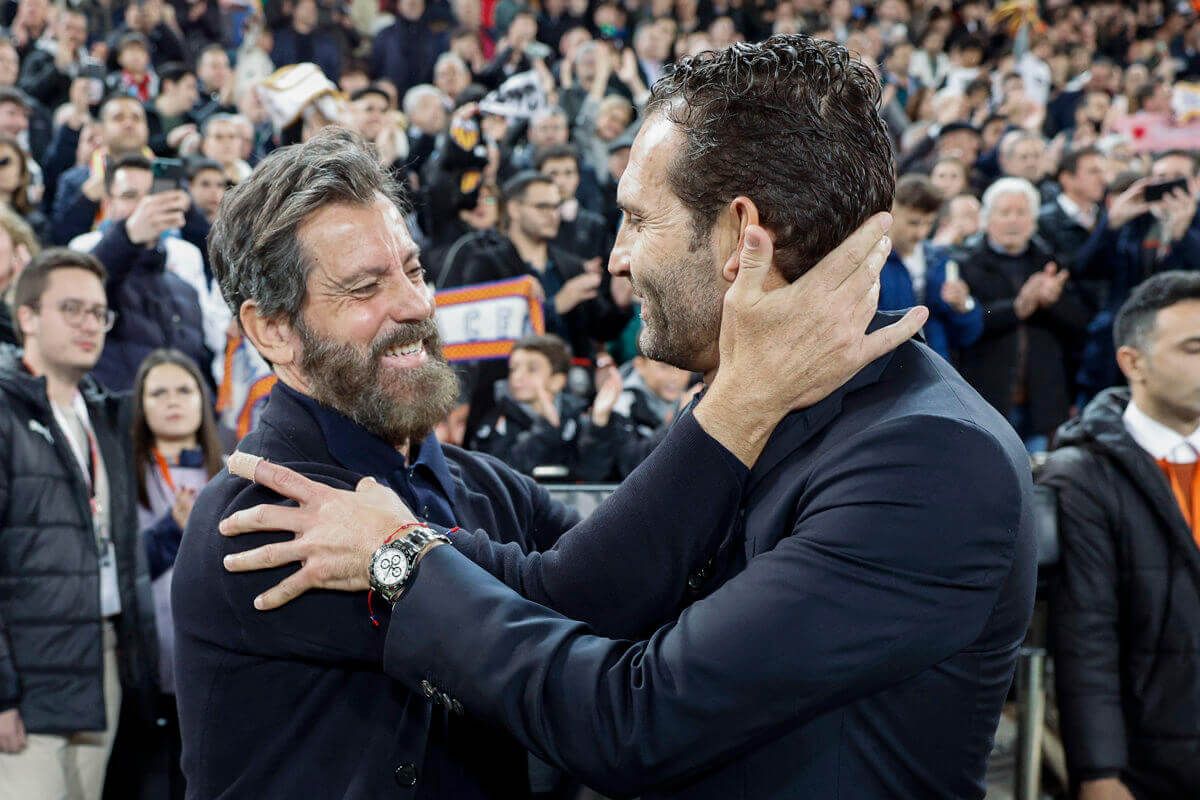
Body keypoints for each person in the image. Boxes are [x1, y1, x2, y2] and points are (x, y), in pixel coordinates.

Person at [219, 36, 1034, 800]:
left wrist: (400, 559)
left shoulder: (929, 460)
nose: (614, 254)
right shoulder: (747, 400)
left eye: (639, 219)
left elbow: (635, 717)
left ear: (740, 237)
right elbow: (571, 594)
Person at [0, 249, 156, 800]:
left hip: (102, 660)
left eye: (98, 313)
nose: (90, 323)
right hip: (26, 676)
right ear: (27, 317)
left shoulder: (106, 415)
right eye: (72, 309)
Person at [1041, 272, 1200, 800]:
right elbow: (1087, 632)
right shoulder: (1083, 474)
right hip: (1146, 758)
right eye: (1193, 348)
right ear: (1134, 362)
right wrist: (1099, 771)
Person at [130, 349, 223, 800]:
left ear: (203, 400)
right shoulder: (120, 471)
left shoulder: (230, 471)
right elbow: (121, 568)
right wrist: (172, 530)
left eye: (184, 390)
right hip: (147, 666)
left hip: (216, 663)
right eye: (158, 392)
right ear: (140, 405)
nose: (173, 401)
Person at [67, 153, 223, 391]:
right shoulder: (86, 251)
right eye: (130, 196)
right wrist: (129, 236)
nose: (145, 206)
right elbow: (86, 288)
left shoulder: (184, 282)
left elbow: (201, 359)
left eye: (152, 195)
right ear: (109, 205)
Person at [957, 176, 1090, 452]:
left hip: (1043, 403)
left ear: (1033, 220)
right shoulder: (967, 263)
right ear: (987, 219)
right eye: (1004, 213)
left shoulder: (1051, 262)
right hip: (986, 398)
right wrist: (1016, 308)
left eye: (1021, 212)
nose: (1013, 221)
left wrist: (1053, 302)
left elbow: (1081, 324)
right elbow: (971, 320)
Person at [470, 333, 622, 480]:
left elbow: (593, 472)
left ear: (557, 381)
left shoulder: (577, 416)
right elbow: (500, 474)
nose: (517, 376)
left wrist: (599, 423)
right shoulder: (496, 420)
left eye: (532, 369)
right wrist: (546, 428)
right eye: (513, 368)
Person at [880, 174, 982, 362]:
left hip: (934, 371)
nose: (921, 232)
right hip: (886, 375)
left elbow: (967, 335)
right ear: (892, 211)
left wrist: (963, 306)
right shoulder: (873, 262)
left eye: (928, 223)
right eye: (913, 223)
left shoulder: (940, 260)